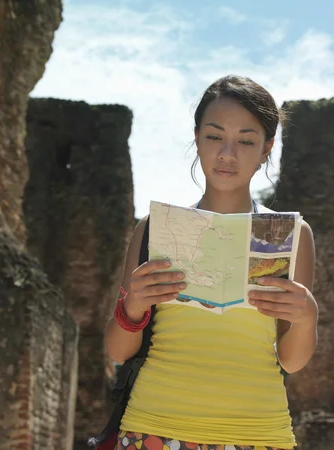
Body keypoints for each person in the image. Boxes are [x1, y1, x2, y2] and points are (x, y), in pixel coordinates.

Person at [104, 75, 318, 450]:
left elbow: (292, 361)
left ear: (267, 147)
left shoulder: (294, 235)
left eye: (246, 141)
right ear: (197, 136)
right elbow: (119, 352)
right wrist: (132, 306)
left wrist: (307, 316)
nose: (227, 154)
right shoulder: (154, 229)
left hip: (259, 434)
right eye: (214, 136)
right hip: (152, 427)